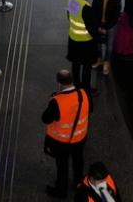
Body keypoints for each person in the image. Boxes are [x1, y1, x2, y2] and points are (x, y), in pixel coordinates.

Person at [42, 70, 90, 199]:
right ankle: (78, 182)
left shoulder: (56, 101)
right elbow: (90, 109)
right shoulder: (84, 93)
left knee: (62, 166)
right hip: (80, 138)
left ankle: (61, 191)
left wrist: (51, 101)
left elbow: (45, 119)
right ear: (72, 80)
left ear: (59, 83)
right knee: (78, 160)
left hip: (61, 143)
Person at [66, 0, 99, 92]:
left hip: (73, 39)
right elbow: (91, 29)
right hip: (85, 43)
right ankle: (86, 88)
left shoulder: (72, 0)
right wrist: (98, 37)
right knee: (86, 66)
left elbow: (69, 17)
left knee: (75, 64)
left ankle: (76, 84)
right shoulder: (86, 8)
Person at [90, 0, 121, 76]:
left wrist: (106, 28)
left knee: (109, 45)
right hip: (99, 24)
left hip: (110, 25)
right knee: (97, 43)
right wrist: (98, 26)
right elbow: (94, 11)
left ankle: (106, 62)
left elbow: (116, 16)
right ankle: (99, 59)